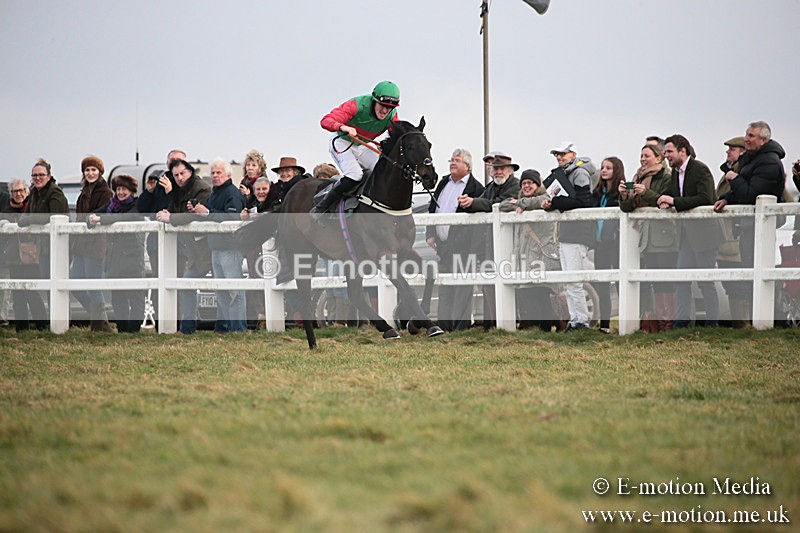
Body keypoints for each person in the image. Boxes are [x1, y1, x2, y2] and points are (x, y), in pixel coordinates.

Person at [714, 121, 787, 326]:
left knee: (759, 276)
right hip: (748, 228)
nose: (746, 138)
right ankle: (751, 324)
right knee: (748, 276)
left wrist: (733, 178)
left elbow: (750, 194)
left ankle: (763, 323)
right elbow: (743, 187)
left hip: (760, 229)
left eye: (751, 136)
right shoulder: (753, 159)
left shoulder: (769, 162)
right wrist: (727, 197)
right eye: (746, 134)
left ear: (763, 139)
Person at [657, 134, 724, 328]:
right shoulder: (675, 172)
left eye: (669, 151)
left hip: (705, 236)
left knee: (706, 281)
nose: (666, 155)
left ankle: (713, 324)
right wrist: (662, 199)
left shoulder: (700, 169)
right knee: (681, 279)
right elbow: (672, 196)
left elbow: (706, 198)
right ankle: (682, 321)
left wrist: (674, 202)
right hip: (686, 235)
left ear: (682, 151)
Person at [313, 81, 401, 215]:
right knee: (355, 175)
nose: (385, 111)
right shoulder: (356, 105)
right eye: (382, 105)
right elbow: (325, 120)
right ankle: (322, 206)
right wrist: (343, 127)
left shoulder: (392, 115)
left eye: (389, 107)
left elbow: (396, 136)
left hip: (363, 145)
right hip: (342, 142)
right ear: (374, 100)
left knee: (382, 169)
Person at [458, 152, 521, 329]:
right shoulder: (491, 186)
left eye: (501, 169)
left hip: (509, 245)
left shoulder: (515, 186)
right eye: (495, 169)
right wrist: (468, 203)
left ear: (510, 170)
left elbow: (499, 204)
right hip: (490, 243)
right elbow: (484, 202)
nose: (498, 172)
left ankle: (508, 322)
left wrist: (473, 202)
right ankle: (491, 324)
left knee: (508, 284)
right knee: (488, 283)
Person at [619, 144, 677, 332]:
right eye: (641, 155)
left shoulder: (666, 177)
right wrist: (624, 195)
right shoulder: (639, 177)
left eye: (647, 156)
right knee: (654, 281)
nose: (643, 159)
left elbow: (664, 200)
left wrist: (646, 192)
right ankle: (660, 322)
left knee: (666, 281)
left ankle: (669, 322)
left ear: (659, 158)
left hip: (664, 235)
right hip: (647, 236)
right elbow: (628, 208)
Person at [426, 148, 485, 331]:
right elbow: (432, 208)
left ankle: (461, 328)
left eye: (457, 160)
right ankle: (444, 327)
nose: (452, 162)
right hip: (443, 247)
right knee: (444, 288)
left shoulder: (476, 188)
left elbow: (479, 221)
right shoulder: (444, 182)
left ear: (467, 166)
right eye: (451, 159)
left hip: (464, 247)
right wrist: (430, 233)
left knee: (462, 289)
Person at [542, 142, 596, 331]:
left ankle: (581, 321)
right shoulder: (567, 173)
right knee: (570, 281)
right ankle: (575, 320)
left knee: (574, 281)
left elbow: (583, 201)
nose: (559, 157)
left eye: (562, 154)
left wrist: (555, 202)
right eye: (557, 154)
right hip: (569, 234)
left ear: (573, 154)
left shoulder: (580, 173)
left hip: (578, 234)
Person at [155, 159, 212, 335]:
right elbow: (174, 209)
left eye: (182, 173)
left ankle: (227, 328)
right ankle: (187, 328)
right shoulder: (178, 190)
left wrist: (171, 218)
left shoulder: (202, 188)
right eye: (176, 175)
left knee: (224, 288)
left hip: (210, 245)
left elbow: (192, 216)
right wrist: (168, 212)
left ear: (190, 171)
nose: (179, 178)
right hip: (195, 250)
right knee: (187, 283)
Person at [499, 169, 560, 331]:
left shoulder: (544, 198)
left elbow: (545, 199)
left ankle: (545, 331)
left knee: (541, 294)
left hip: (540, 255)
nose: (526, 186)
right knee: (528, 295)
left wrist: (521, 204)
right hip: (524, 256)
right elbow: (503, 206)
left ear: (537, 184)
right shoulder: (521, 200)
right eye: (524, 183)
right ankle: (538, 331)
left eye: (530, 183)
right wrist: (520, 203)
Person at [190, 159, 247, 333]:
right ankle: (226, 327)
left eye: (218, 172)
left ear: (228, 174)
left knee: (234, 291)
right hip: (216, 247)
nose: (214, 176)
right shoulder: (215, 193)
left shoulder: (232, 193)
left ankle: (237, 329)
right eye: (213, 172)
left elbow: (233, 218)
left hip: (230, 248)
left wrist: (206, 213)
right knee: (221, 291)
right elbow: (213, 215)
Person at [87, 175, 146, 333]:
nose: (120, 192)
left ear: (132, 191)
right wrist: (91, 219)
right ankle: (122, 330)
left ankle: (133, 330)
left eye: (124, 189)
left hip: (132, 259)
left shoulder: (137, 204)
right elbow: (93, 214)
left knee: (136, 297)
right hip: (114, 260)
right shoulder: (111, 205)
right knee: (118, 298)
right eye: (118, 189)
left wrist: (101, 219)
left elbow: (127, 217)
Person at [18, 158, 69, 329]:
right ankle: (50, 323)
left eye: (41, 175)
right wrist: (28, 220)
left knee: (57, 286)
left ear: (49, 176)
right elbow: (26, 216)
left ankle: (60, 323)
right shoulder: (34, 193)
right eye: (34, 175)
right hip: (43, 247)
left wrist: (30, 220)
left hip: (58, 247)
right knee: (48, 285)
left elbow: (54, 217)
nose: (37, 178)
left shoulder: (55, 193)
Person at [71, 155, 114, 332]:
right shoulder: (83, 193)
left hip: (96, 244)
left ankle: (98, 327)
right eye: (87, 170)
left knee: (93, 285)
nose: (90, 173)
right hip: (81, 245)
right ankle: (101, 321)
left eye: (93, 170)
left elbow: (103, 216)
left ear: (100, 172)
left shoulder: (105, 193)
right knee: (75, 284)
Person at [1, 179, 47, 331]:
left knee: (32, 293)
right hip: (13, 257)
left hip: (30, 257)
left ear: (27, 192)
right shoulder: (6, 212)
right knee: (17, 295)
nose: (19, 194)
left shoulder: (32, 208)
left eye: (21, 190)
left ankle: (42, 326)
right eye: (15, 191)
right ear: (11, 194)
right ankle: (21, 329)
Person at [715, 136, 747, 327]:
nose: (728, 152)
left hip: (736, 237)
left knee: (738, 284)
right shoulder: (728, 172)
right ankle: (739, 323)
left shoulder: (741, 173)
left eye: (732, 149)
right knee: (731, 284)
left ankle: (742, 323)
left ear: (743, 152)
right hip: (726, 238)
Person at [138, 149, 185, 276]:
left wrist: (170, 191)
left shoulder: (189, 184)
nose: (175, 163)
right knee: (158, 279)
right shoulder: (160, 182)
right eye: (172, 160)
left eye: (179, 160)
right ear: (167, 163)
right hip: (156, 242)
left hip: (179, 243)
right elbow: (142, 209)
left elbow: (182, 209)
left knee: (178, 281)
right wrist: (149, 192)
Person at [592, 157, 625, 333]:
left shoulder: (619, 193)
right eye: (602, 167)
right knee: (602, 285)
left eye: (608, 168)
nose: (604, 170)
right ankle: (604, 325)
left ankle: (626, 323)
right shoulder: (598, 193)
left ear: (616, 170)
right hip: (599, 245)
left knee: (621, 284)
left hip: (616, 244)